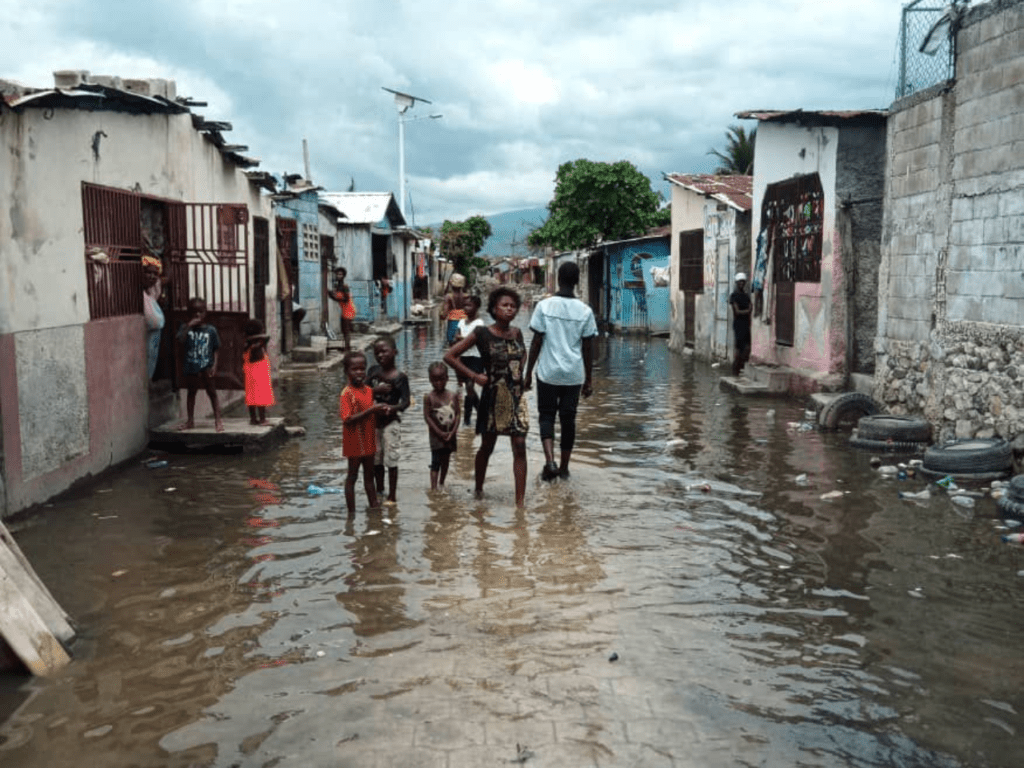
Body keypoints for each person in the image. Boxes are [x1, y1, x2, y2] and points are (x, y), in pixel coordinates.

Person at [444, 286, 529, 508]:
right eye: (504, 305)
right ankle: (479, 490)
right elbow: (450, 356)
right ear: (493, 308)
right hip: (492, 397)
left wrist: (521, 372)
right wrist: (474, 376)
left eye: (513, 306)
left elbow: (523, 353)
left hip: (516, 396)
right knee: (487, 446)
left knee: (520, 445)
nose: (509, 309)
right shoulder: (482, 333)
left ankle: (520, 504)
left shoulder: (517, 333)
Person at [524, 261, 598, 481]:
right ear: (576, 281)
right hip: (573, 375)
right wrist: (589, 379)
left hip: (548, 372)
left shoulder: (544, 307)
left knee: (546, 415)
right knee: (568, 420)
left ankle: (550, 462)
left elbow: (536, 342)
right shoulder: (585, 311)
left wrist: (528, 374)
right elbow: (588, 348)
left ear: (558, 279)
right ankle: (564, 468)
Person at [340, 350, 388, 515]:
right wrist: (372, 410)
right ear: (347, 371)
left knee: (369, 476)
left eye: (362, 369)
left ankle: (374, 506)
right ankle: (351, 513)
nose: (359, 372)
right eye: (355, 369)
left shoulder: (368, 390)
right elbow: (347, 419)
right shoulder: (346, 393)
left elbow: (371, 413)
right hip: (353, 443)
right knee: (352, 477)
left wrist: (381, 410)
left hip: (368, 440)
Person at [366, 335, 411, 504]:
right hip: (374, 423)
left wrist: (393, 408)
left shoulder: (400, 377)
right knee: (376, 459)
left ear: (395, 352)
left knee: (391, 459)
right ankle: (380, 491)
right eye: (377, 353)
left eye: (384, 351)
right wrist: (375, 391)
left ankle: (392, 495)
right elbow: (362, 391)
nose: (380, 355)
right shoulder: (373, 372)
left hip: (391, 423)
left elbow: (406, 402)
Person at [176, 297, 223, 432]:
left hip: (206, 366)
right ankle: (190, 421)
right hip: (192, 366)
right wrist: (189, 325)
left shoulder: (211, 330)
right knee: (191, 393)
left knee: (212, 392)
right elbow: (179, 340)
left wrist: (214, 366)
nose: (197, 315)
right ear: (189, 314)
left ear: (205, 313)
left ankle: (218, 420)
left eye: (200, 312)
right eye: (194, 312)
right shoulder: (186, 329)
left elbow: (216, 349)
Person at [423, 361, 460, 490]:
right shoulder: (429, 397)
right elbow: (427, 416)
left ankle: (442, 483)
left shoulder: (452, 396)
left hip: (450, 434)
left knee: (446, 460)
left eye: (441, 379)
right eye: (435, 380)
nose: (438, 383)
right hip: (436, 436)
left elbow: (458, 415)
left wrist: (453, 432)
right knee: (435, 461)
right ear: (430, 380)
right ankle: (434, 489)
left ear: (447, 378)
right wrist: (439, 432)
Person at [454, 294, 485, 426]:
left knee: (470, 386)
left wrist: (463, 339)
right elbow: (456, 336)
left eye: (469, 305)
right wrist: (465, 340)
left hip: (476, 358)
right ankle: (481, 413)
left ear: (476, 307)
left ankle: (467, 419)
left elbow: (474, 340)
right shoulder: (461, 322)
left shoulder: (479, 323)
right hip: (463, 358)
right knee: (468, 388)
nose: (466, 308)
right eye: (465, 306)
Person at [242, 319, 274, 425]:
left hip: (249, 371)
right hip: (259, 371)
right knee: (261, 395)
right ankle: (262, 419)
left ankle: (253, 419)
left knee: (251, 396)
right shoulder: (258, 344)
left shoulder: (246, 344)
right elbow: (267, 337)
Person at [141, 254, 165, 382]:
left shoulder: (152, 291)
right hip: (143, 331)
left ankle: (149, 380)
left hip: (155, 331)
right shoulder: (138, 292)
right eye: (148, 272)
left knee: (152, 356)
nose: (151, 276)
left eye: (155, 274)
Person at [729, 272, 752, 377]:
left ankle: (740, 369)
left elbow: (750, 306)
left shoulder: (746, 296)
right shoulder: (734, 296)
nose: (741, 284)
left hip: (746, 324)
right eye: (740, 282)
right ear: (736, 283)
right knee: (738, 349)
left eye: (743, 282)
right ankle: (735, 371)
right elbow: (737, 311)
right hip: (738, 325)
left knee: (746, 348)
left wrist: (748, 311)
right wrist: (748, 311)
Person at [329, 267, 356, 352]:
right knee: (344, 330)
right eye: (337, 274)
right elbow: (337, 299)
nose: (338, 276)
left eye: (340, 274)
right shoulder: (338, 286)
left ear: (343, 276)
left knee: (346, 330)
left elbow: (346, 299)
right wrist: (331, 295)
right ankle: (346, 347)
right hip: (344, 309)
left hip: (349, 309)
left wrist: (334, 296)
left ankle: (347, 348)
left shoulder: (345, 286)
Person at [440, 273, 467, 345]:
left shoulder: (448, 296)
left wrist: (442, 316)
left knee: (452, 344)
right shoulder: (466, 296)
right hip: (464, 322)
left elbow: (444, 313)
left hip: (453, 322)